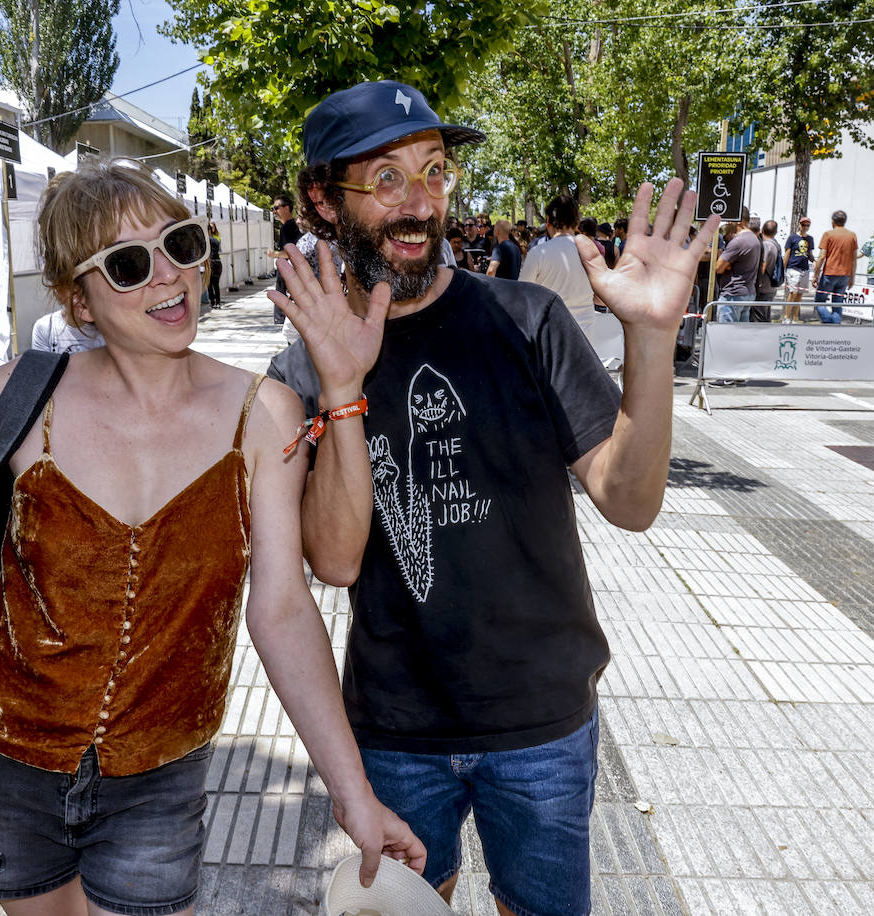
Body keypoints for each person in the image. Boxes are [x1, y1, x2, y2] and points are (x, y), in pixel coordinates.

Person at [0, 160, 423, 914]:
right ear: (78, 300)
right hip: (4, 761)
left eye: (181, 244)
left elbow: (280, 610)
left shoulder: (265, 412)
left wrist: (352, 794)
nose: (170, 277)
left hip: (160, 774)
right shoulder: (27, 393)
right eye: (128, 264)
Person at [267, 80, 716, 916]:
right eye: (387, 178)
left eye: (434, 173)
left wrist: (651, 339)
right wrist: (341, 386)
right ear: (323, 202)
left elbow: (629, 499)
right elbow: (331, 559)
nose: (420, 203)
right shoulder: (304, 366)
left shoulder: (529, 319)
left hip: (542, 719)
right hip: (396, 727)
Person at [519, 194, 595, 332]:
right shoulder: (590, 252)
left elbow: (522, 295)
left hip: (551, 335)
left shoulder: (538, 253)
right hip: (586, 336)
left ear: (548, 222)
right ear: (577, 223)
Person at [714, 207, 760, 322]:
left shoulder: (738, 241)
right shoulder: (755, 239)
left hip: (733, 295)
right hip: (747, 293)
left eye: (730, 219)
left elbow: (718, 268)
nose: (728, 223)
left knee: (726, 336)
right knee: (740, 337)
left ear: (739, 221)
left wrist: (724, 261)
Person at [813, 209, 858, 324]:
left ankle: (829, 322)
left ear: (833, 221)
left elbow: (822, 256)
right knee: (837, 303)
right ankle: (835, 326)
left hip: (830, 273)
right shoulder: (852, 236)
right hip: (845, 275)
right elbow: (854, 259)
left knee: (819, 302)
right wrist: (852, 277)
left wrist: (815, 275)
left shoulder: (828, 234)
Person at [268, 193, 303, 324]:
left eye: (277, 208)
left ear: (287, 208)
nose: (274, 211)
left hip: (287, 272)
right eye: (273, 208)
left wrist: (275, 254)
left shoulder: (287, 227)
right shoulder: (292, 226)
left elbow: (290, 252)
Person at [782, 216, 815, 323]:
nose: (805, 227)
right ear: (799, 225)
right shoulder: (792, 238)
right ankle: (786, 317)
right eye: (803, 225)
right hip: (793, 268)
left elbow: (810, 254)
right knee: (793, 292)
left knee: (800, 294)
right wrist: (783, 269)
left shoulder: (810, 239)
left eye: (807, 225)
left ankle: (794, 318)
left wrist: (814, 262)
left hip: (804, 269)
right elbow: (787, 253)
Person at [752, 219, 783, 322]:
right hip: (770, 287)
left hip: (763, 288)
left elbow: (762, 266)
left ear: (762, 230)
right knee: (765, 317)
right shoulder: (776, 245)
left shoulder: (766, 245)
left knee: (759, 319)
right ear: (775, 232)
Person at [205, 219, 223, 308]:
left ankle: (212, 302)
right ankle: (218, 302)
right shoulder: (216, 240)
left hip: (210, 263)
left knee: (209, 285)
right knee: (216, 284)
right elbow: (218, 251)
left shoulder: (205, 241)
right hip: (218, 263)